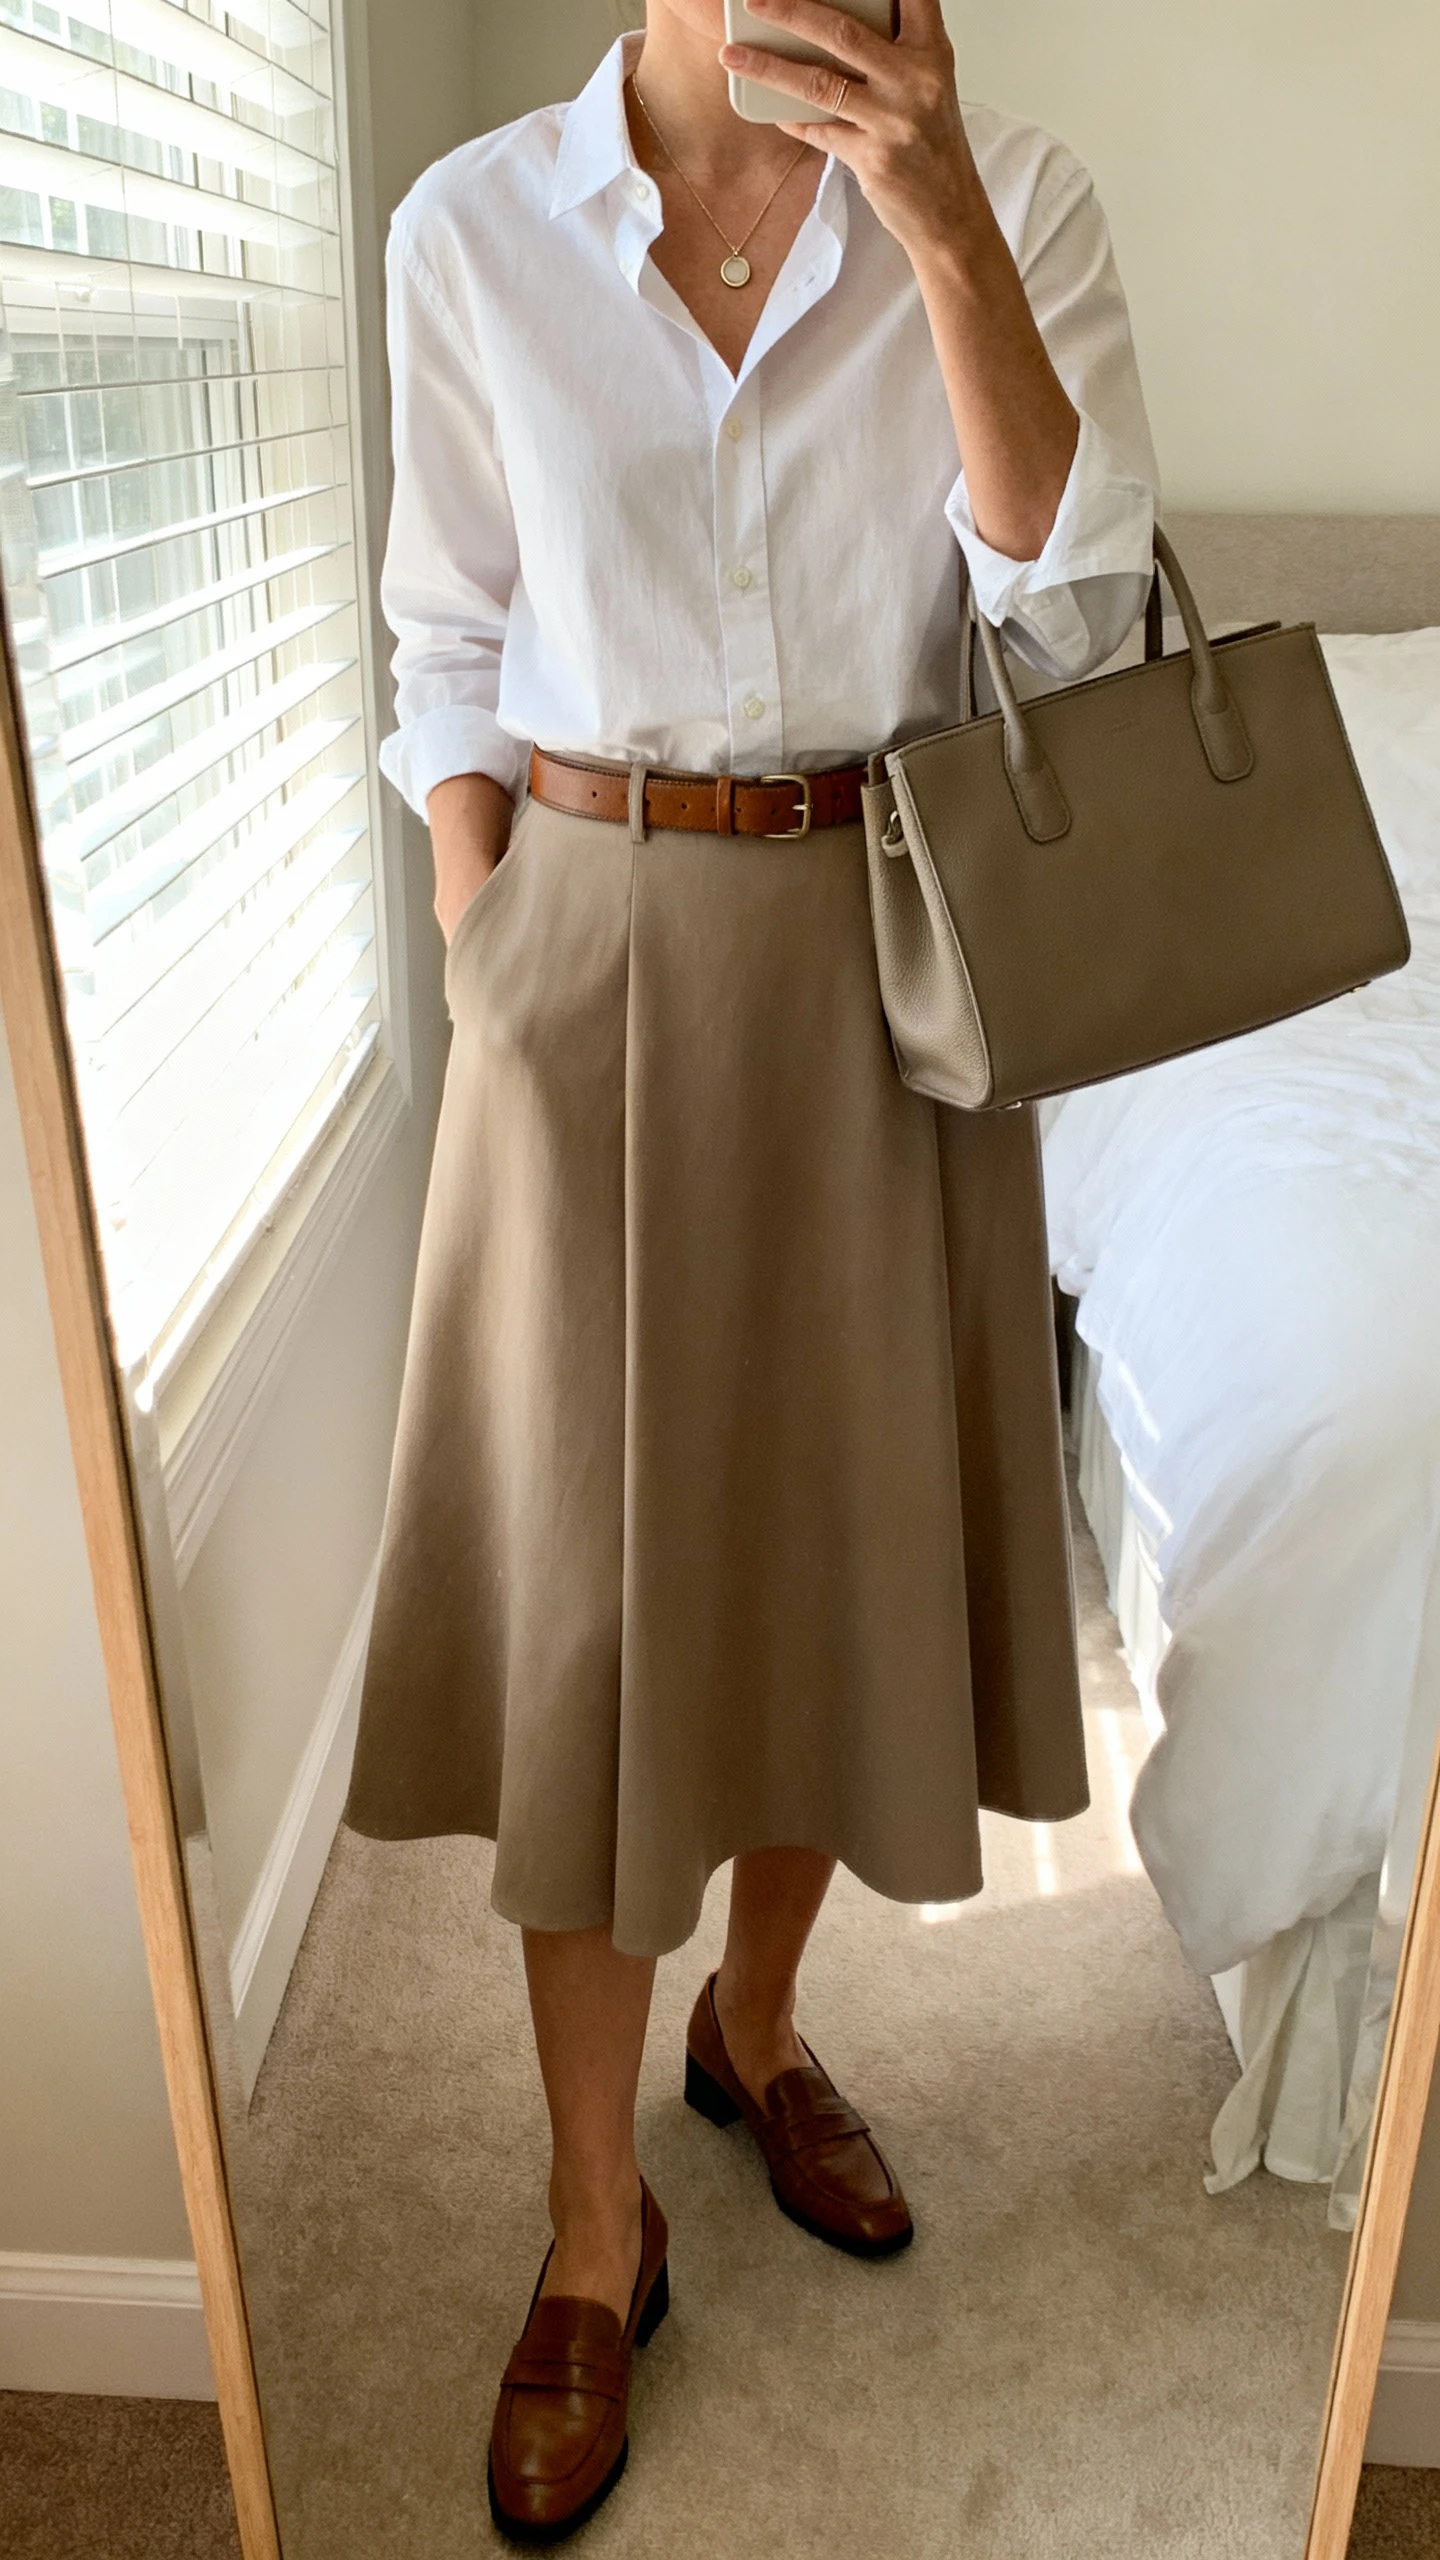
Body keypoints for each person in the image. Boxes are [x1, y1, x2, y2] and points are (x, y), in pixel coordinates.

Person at [345, 0, 1159, 2536]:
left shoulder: (1017, 203)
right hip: (579, 957)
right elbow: (448, 634)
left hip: (883, 960)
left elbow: (1073, 618)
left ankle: (762, 2017)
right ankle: (598, 2232)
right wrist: (493, 936)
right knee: (595, 1632)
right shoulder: (472, 228)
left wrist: (930, 227)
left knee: (817, 1566)